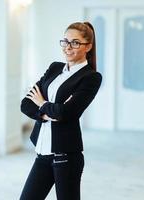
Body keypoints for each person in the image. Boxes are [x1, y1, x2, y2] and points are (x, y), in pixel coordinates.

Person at [19, 22, 102, 200]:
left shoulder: (91, 77)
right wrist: (47, 112)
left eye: (75, 42)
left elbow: (67, 113)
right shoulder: (54, 68)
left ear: (88, 46)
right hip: (42, 155)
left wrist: (41, 102)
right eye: (65, 41)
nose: (68, 47)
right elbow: (26, 103)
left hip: (66, 157)